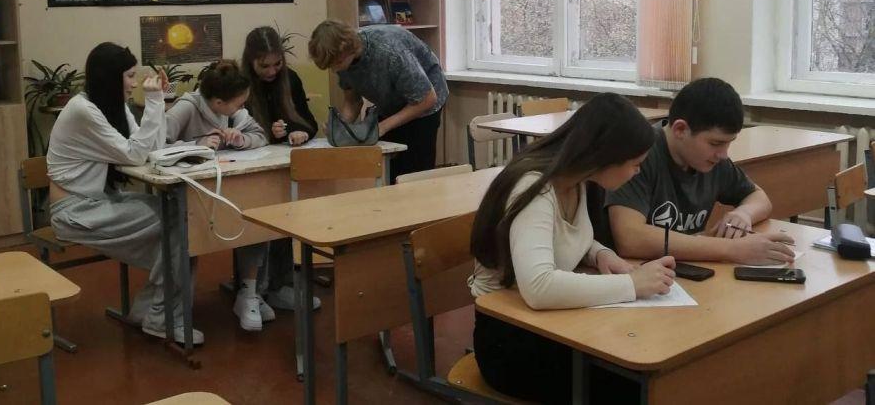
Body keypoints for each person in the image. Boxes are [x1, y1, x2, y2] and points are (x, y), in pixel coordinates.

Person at [469, 93, 676, 403]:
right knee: (634, 385)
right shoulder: (534, 188)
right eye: (635, 164)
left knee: (651, 366)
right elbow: (539, 288)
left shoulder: (576, 179)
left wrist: (599, 253)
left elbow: (562, 234)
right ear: (605, 156)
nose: (637, 172)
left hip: (550, 325)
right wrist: (631, 284)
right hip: (510, 340)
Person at [47, 43, 203, 345]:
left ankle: (151, 312)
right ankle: (160, 317)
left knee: (183, 223)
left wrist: (156, 101)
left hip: (99, 202)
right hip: (74, 212)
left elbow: (152, 149)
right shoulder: (83, 110)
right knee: (182, 227)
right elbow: (135, 155)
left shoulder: (112, 106)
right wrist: (154, 100)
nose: (134, 83)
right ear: (110, 77)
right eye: (129, 76)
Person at [606, 77, 796, 264]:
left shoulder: (712, 160)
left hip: (680, 267)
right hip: (632, 272)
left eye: (729, 143)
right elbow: (630, 238)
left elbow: (758, 197)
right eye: (715, 143)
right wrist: (732, 249)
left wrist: (744, 213)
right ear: (680, 130)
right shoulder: (639, 156)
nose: (723, 154)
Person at [165, 59, 273, 332]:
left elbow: (260, 135)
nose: (242, 108)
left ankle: (249, 292)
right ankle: (177, 310)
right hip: (191, 197)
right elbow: (156, 144)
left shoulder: (233, 112)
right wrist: (196, 145)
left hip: (227, 189)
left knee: (256, 219)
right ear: (217, 102)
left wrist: (241, 139)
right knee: (191, 240)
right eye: (238, 104)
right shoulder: (187, 108)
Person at [308, 20, 447, 182]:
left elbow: (427, 99)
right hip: (391, 103)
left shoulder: (389, 51)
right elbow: (353, 102)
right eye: (330, 66)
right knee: (387, 168)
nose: (335, 70)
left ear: (347, 49)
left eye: (337, 64)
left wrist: (383, 126)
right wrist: (340, 129)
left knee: (413, 173)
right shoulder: (341, 60)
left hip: (425, 101)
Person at [242, 26, 320, 311]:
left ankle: (279, 284)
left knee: (285, 219)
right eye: (264, 66)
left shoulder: (291, 79)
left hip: (281, 165)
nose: (272, 71)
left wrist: (299, 133)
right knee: (255, 226)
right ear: (250, 60)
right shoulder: (241, 83)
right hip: (249, 169)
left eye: (277, 64)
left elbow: (308, 122)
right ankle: (251, 288)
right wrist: (267, 131)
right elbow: (233, 130)